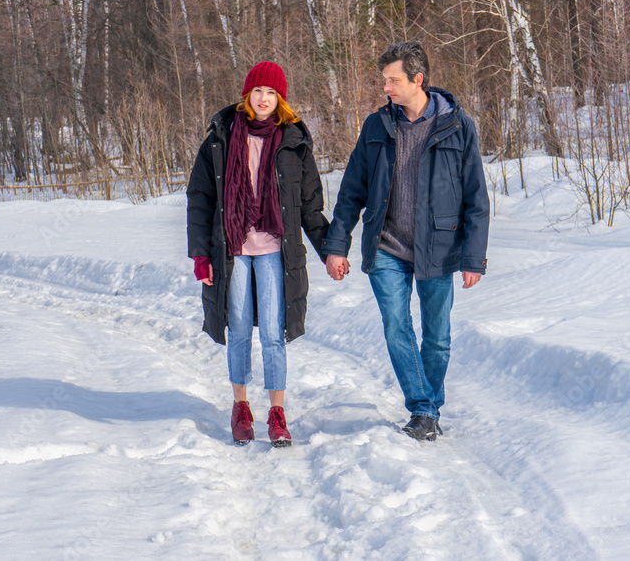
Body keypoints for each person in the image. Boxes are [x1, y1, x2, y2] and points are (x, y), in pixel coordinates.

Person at [322, 42, 490, 441]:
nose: (386, 88)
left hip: (440, 248)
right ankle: (423, 407)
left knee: (437, 337)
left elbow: (476, 197)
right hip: (386, 246)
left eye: (392, 80)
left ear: (418, 79)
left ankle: (427, 409)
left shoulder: (457, 125)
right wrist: (336, 244)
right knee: (397, 327)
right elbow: (352, 190)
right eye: (384, 81)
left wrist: (474, 257)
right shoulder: (377, 126)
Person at [187, 61, 328, 447]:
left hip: (273, 250)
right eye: (258, 91)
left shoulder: (293, 142)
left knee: (272, 333)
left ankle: (277, 413)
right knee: (238, 331)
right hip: (231, 249)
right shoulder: (221, 137)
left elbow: (310, 205)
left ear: (280, 99)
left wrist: (331, 250)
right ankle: (241, 407)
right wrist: (201, 255)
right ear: (246, 95)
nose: (264, 98)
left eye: (272, 92)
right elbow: (200, 199)